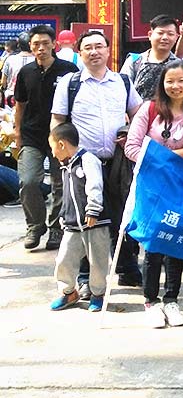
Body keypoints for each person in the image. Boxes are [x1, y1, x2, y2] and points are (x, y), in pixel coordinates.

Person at [51, 29, 142, 288]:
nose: (94, 52)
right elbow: (57, 121)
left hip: (117, 162)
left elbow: (137, 114)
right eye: (88, 47)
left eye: (99, 46)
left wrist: (130, 136)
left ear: (108, 50)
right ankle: (84, 278)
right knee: (85, 220)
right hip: (82, 164)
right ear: (79, 53)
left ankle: (126, 267)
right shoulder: (70, 83)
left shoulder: (122, 82)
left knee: (121, 215)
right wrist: (61, 156)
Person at [124, 59, 183, 329]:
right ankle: (151, 301)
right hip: (150, 186)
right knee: (153, 244)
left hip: (180, 187)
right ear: (162, 83)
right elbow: (132, 148)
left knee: (175, 243)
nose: (175, 86)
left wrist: (158, 155)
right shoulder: (149, 109)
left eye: (182, 80)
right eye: (170, 81)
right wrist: (166, 160)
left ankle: (172, 299)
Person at [13, 24, 78, 250]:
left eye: (45, 44)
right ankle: (35, 226)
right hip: (32, 136)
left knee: (60, 183)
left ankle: (56, 227)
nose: (41, 48)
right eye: (36, 44)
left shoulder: (68, 70)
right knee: (28, 181)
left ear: (54, 45)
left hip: (61, 136)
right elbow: (19, 105)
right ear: (30, 47)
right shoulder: (26, 72)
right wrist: (17, 133)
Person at [48, 122, 109, 312]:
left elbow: (94, 186)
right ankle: (68, 292)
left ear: (61, 144)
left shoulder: (88, 160)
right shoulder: (66, 166)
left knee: (97, 261)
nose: (52, 154)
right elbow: (67, 195)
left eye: (52, 147)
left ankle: (97, 294)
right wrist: (63, 215)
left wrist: (93, 210)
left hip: (95, 222)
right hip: (73, 224)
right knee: (64, 259)